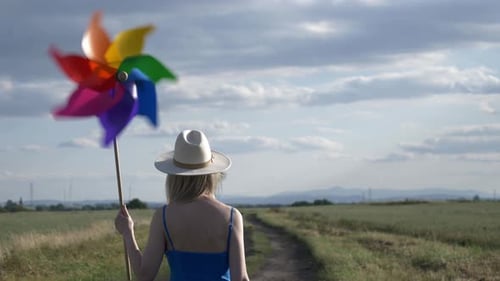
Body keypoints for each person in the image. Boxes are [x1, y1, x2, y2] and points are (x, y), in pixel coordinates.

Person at [115, 129, 250, 281]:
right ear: (211, 174)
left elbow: (145, 274)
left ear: (173, 176)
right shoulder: (231, 216)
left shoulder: (164, 216)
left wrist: (127, 232)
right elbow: (241, 278)